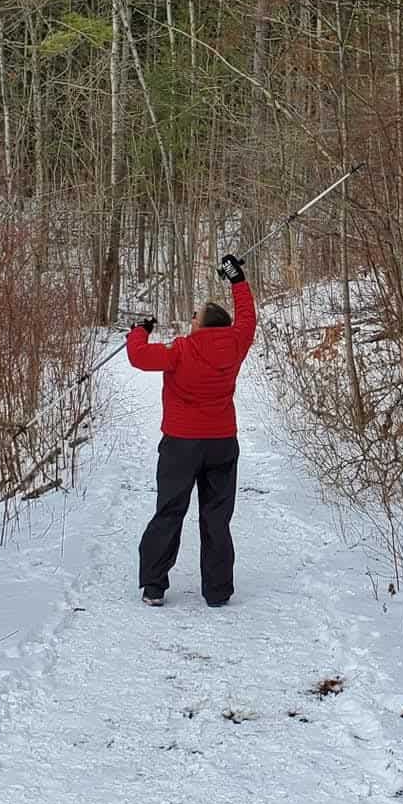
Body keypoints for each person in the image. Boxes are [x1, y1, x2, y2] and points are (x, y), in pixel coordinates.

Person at [126, 255, 257, 607]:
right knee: (216, 516)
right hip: (221, 444)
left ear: (204, 325)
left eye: (195, 317)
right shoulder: (235, 344)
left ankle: (154, 587)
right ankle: (217, 592)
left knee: (170, 511)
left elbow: (138, 357)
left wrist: (141, 330)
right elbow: (247, 318)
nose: (191, 320)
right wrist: (237, 280)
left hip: (181, 445)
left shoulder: (181, 350)